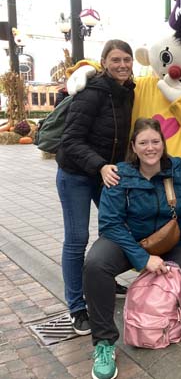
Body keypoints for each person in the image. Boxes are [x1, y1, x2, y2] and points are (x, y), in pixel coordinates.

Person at [83, 118, 181, 379]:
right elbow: (110, 224)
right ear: (134, 146)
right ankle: (104, 343)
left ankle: (157, 297)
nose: (150, 148)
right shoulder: (119, 174)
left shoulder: (180, 170)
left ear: (163, 143)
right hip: (127, 242)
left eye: (155, 141)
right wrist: (143, 258)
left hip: (171, 242)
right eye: (143, 143)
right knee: (95, 264)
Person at [56, 39, 135, 335]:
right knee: (76, 239)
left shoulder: (128, 91)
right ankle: (77, 306)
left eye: (126, 59)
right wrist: (100, 165)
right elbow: (70, 140)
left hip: (105, 174)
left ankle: (105, 277)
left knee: (115, 230)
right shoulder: (92, 92)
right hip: (76, 173)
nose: (122, 65)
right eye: (116, 60)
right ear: (104, 63)